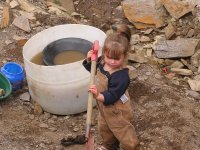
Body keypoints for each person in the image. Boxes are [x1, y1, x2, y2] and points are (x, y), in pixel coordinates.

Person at [83, 24, 139, 150]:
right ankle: (110, 146)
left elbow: (113, 95)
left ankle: (132, 147)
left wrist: (98, 95)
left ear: (124, 57)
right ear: (104, 54)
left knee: (123, 132)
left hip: (117, 110)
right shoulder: (102, 62)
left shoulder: (121, 76)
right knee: (104, 128)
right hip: (104, 107)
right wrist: (89, 61)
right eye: (109, 57)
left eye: (117, 59)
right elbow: (93, 72)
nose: (112, 62)